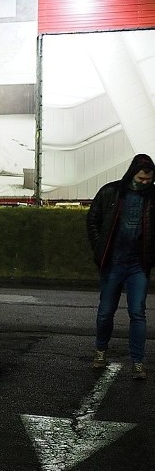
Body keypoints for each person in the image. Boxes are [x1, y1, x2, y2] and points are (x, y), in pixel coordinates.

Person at [86, 153, 155, 380]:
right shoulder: (111, 192)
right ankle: (100, 351)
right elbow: (93, 219)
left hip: (138, 266)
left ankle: (138, 363)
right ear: (132, 173)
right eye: (141, 178)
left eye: (148, 180)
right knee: (105, 312)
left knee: (138, 313)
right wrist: (99, 248)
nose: (144, 183)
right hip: (112, 264)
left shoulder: (152, 197)